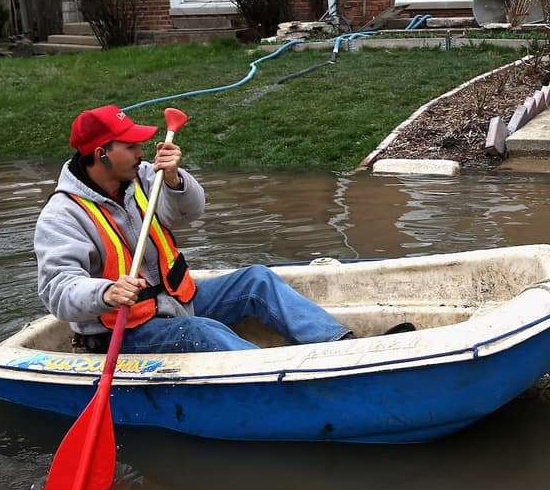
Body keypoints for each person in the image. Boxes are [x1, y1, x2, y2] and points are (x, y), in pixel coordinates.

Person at [34, 105, 399, 354]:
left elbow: (188, 214)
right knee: (200, 331)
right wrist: (106, 291)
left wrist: (175, 180)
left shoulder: (145, 177)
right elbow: (56, 290)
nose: (141, 152)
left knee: (257, 279)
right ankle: (275, 375)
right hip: (125, 330)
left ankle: (340, 346)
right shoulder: (63, 215)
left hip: (177, 302)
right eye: (130, 147)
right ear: (101, 154)